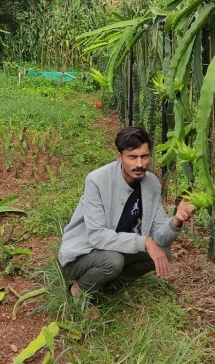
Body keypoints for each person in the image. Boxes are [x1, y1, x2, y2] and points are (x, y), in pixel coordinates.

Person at [57, 126, 196, 301]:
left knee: (163, 253)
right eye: (132, 157)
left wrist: (177, 219)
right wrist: (144, 241)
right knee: (113, 261)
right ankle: (78, 293)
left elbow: (161, 238)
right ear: (119, 156)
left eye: (144, 156)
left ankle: (109, 287)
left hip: (113, 250)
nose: (139, 164)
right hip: (81, 255)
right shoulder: (97, 180)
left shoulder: (151, 184)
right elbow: (97, 236)